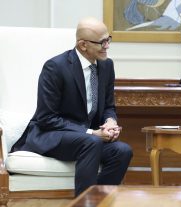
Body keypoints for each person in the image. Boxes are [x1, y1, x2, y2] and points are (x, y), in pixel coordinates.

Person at [11, 17, 133, 197]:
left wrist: (110, 121)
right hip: (52, 134)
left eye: (108, 39)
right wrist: (92, 133)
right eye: (102, 42)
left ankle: (98, 205)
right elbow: (47, 118)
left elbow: (108, 106)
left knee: (123, 151)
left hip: (87, 139)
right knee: (91, 142)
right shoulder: (55, 67)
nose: (107, 46)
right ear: (83, 45)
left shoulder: (107, 65)